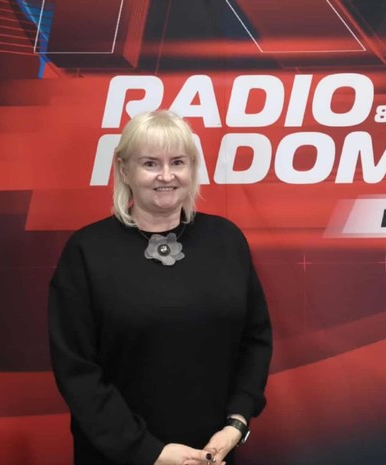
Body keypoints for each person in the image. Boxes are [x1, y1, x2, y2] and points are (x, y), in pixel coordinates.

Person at [48, 110, 273, 465]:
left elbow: (255, 338)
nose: (166, 176)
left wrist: (237, 422)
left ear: (192, 168)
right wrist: (149, 452)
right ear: (124, 170)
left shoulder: (226, 239)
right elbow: (77, 370)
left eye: (178, 162)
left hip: (213, 454)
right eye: (150, 163)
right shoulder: (86, 251)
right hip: (119, 456)